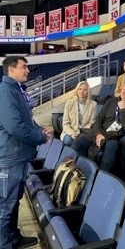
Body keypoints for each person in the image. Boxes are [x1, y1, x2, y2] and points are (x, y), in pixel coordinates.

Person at [0, 56, 52, 249]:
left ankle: (14, 238)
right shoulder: (6, 92)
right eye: (24, 67)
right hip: (10, 157)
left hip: (19, 156)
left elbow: (26, 121)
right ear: (11, 69)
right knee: (5, 206)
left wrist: (39, 131)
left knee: (13, 202)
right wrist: (39, 138)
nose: (28, 70)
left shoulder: (16, 90)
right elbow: (15, 127)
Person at [75, 82, 125, 172]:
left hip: (115, 137)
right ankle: (82, 171)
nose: (123, 92)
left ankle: (101, 175)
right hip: (100, 133)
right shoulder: (111, 101)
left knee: (112, 146)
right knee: (80, 142)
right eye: (123, 89)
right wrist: (98, 134)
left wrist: (123, 109)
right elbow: (99, 119)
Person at [60, 81, 97, 146]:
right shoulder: (69, 103)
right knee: (68, 141)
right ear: (77, 90)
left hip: (85, 132)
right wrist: (72, 133)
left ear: (88, 92)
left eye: (85, 90)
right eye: (80, 89)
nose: (82, 91)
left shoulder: (93, 104)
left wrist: (81, 132)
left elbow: (92, 123)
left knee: (80, 142)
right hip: (70, 131)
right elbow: (65, 123)